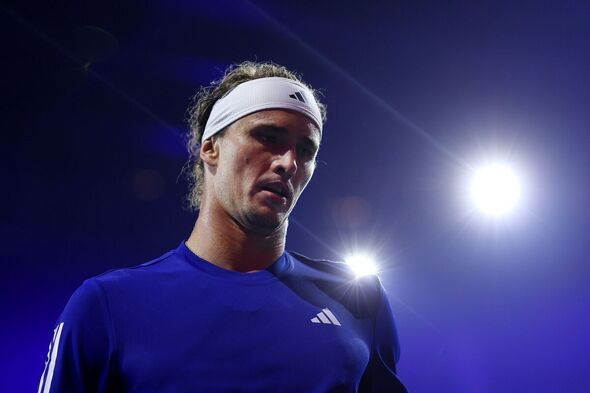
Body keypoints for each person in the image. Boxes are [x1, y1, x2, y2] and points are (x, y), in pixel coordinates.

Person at [38, 61, 408, 392]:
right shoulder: (106, 306)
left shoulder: (358, 300)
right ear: (210, 147)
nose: (289, 163)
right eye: (269, 137)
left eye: (306, 150)